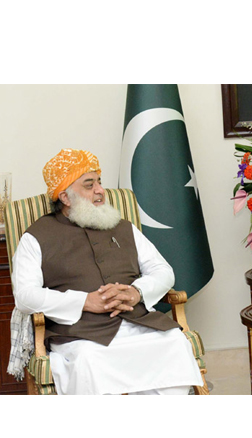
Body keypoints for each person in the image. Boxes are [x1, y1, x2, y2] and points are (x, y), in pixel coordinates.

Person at [11, 148, 203, 395]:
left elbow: (163, 271)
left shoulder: (123, 227)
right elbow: (26, 296)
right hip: (80, 335)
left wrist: (136, 292)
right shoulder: (35, 237)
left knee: (174, 344)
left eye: (99, 182)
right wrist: (85, 301)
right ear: (65, 197)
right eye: (89, 185)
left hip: (139, 323)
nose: (100, 190)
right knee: (89, 360)